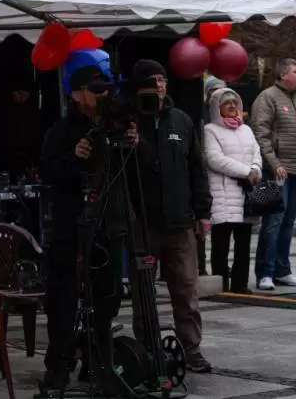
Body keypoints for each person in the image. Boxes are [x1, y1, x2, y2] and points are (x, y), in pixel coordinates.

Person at [39, 59, 133, 394]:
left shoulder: (117, 125)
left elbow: (134, 169)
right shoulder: (61, 131)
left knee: (107, 298)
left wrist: (133, 143)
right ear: (77, 95)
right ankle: (59, 366)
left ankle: (99, 362)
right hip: (71, 226)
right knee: (63, 299)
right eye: (94, 89)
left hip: (109, 224)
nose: (101, 94)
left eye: (105, 88)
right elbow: (49, 172)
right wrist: (74, 157)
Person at [129, 59, 213, 373]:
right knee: (143, 292)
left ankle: (191, 349)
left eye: (163, 79)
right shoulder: (129, 120)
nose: (160, 86)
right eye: (153, 80)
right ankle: (148, 349)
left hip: (180, 221)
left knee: (187, 290)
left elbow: (197, 169)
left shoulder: (181, 120)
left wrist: (203, 212)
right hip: (143, 223)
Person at [251, 58, 296, 290]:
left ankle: (282, 270)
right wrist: (274, 163)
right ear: (283, 74)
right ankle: (265, 272)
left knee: (288, 223)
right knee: (272, 221)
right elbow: (261, 133)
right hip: (274, 172)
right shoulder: (267, 97)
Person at [204, 88, 262, 294]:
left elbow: (257, 153)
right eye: (226, 103)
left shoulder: (246, 130)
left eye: (235, 102)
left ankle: (240, 285)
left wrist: (256, 169)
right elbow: (215, 159)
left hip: (245, 197)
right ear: (216, 108)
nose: (232, 106)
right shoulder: (210, 130)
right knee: (220, 244)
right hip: (223, 197)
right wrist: (246, 172)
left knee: (243, 244)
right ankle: (221, 285)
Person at [198, 75, 226, 276]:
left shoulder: (229, 114)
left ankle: (220, 266)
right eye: (214, 90)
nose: (218, 94)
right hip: (205, 174)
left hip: (224, 176)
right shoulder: (202, 114)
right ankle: (200, 265)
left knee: (221, 226)